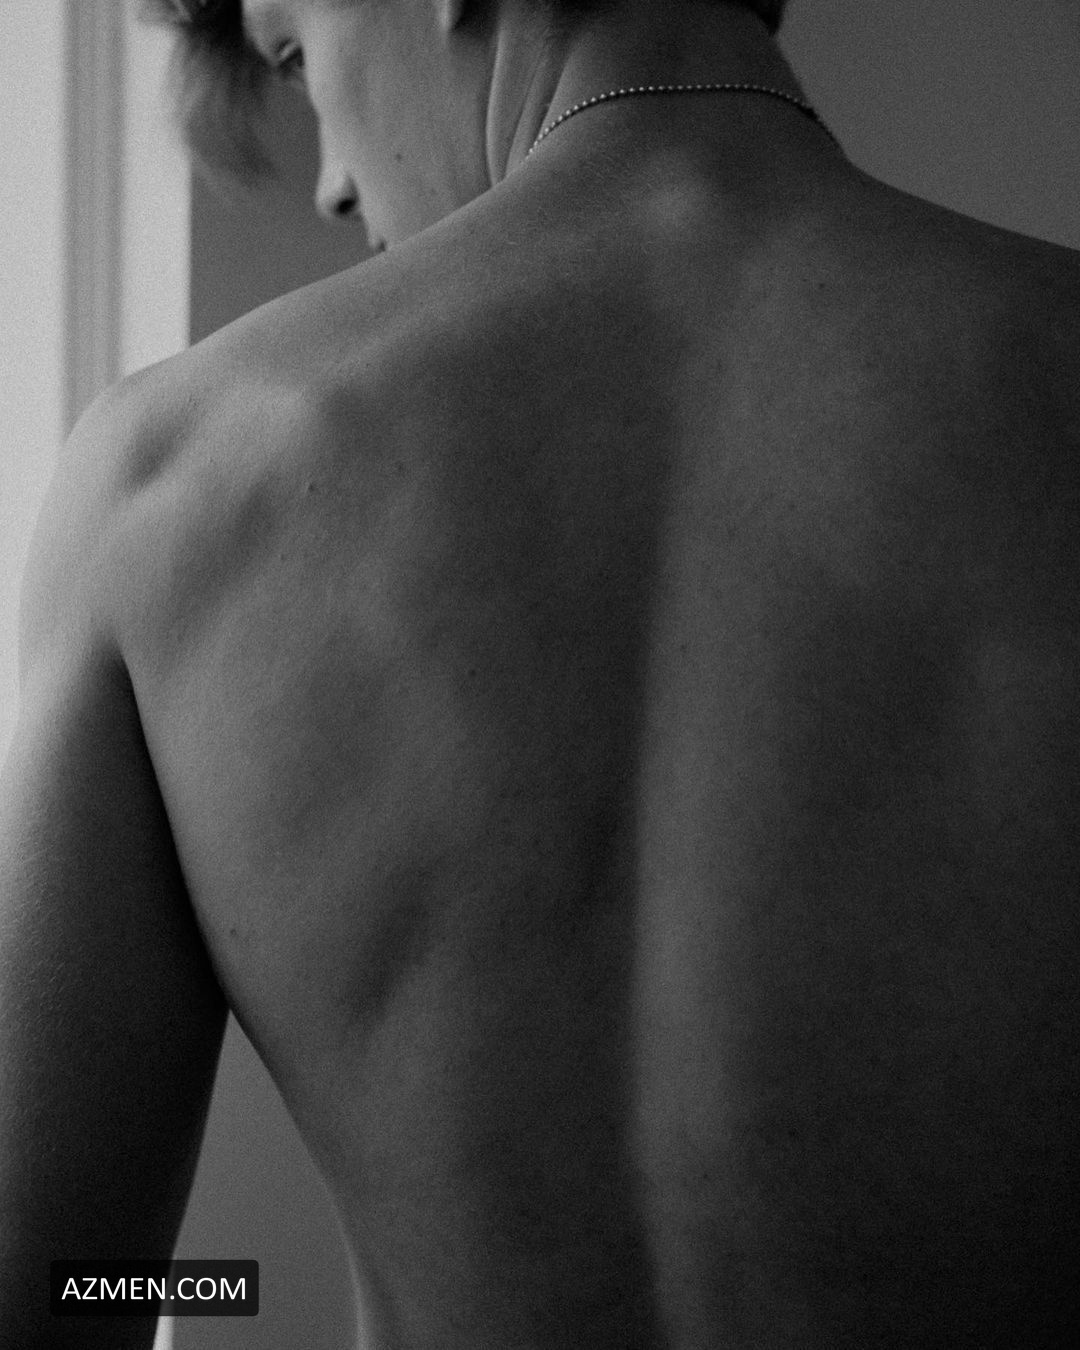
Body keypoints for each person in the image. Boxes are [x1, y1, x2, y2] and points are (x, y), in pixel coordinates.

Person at [2, 0, 1078, 1345]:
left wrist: (235, 1299)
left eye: (294, 55)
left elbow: (53, 1292)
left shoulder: (165, 490)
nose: (333, 182)